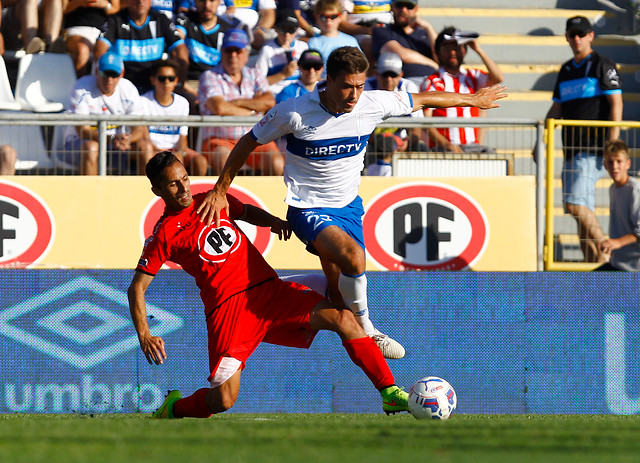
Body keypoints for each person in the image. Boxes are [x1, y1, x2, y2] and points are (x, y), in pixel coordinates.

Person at [196, 46, 507, 359]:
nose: (354, 94)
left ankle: (278, 297)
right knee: (355, 258)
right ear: (329, 80)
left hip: (348, 208)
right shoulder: (293, 111)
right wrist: (221, 188)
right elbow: (248, 141)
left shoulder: (373, 102)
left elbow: (424, 99)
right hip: (308, 207)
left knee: (339, 298)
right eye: (347, 86)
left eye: (359, 86)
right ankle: (369, 328)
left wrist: (472, 99)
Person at [129, 151, 411, 418]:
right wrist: (145, 335)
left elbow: (246, 212)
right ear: (158, 191)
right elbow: (137, 288)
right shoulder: (164, 234)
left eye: (185, 178)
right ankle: (173, 408)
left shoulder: (212, 200)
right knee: (223, 400)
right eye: (173, 185)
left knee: (344, 318)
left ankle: (389, 391)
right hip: (230, 312)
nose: (184, 188)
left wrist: (273, 222)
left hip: (270, 292)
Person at [546, 15, 623, 263]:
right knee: (581, 213)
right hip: (570, 149)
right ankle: (594, 268)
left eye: (581, 33)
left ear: (591, 35)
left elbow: (616, 103)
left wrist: (613, 143)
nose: (576, 39)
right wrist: (542, 138)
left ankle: (606, 254)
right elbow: (555, 109)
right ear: (567, 37)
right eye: (572, 34)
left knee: (574, 206)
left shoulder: (603, 63)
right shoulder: (566, 69)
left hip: (592, 149)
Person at [198, 28, 283, 175]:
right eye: (228, 50)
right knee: (224, 161)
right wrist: (253, 110)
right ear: (221, 52)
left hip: (255, 139)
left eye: (238, 51)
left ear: (247, 54)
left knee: (277, 163)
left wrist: (235, 102)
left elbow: (269, 101)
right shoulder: (209, 76)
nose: (233, 55)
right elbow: (219, 107)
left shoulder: (255, 74)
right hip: (220, 140)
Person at [63, 52, 153, 175]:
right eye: (105, 73)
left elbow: (140, 128)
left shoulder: (129, 88)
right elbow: (82, 131)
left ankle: (149, 193)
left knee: (145, 147)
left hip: (117, 146)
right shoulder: (81, 87)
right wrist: (110, 139)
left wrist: (129, 139)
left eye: (114, 74)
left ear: (122, 74)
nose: (109, 79)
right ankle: (89, 194)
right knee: (91, 148)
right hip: (79, 145)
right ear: (96, 71)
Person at [421, 27, 504, 154]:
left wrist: (478, 49)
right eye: (447, 48)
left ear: (464, 50)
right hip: (443, 148)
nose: (452, 52)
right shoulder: (432, 82)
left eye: (457, 47)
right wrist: (447, 145)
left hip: (472, 147)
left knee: (500, 162)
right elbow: (426, 123)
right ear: (437, 52)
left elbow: (498, 77)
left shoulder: (472, 76)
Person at [95, 0, 189, 94]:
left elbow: (180, 50)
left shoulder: (161, 19)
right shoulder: (115, 19)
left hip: (155, 88)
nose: (140, 1)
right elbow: (100, 50)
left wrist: (179, 84)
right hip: (122, 86)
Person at [141, 59, 208, 175]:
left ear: (176, 81)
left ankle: (196, 192)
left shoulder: (183, 103)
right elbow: (144, 135)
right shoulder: (143, 101)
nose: (166, 82)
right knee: (146, 152)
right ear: (153, 80)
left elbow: (183, 138)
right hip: (153, 150)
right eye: (162, 78)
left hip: (175, 150)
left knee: (200, 161)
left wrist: (179, 152)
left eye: (171, 79)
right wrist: (161, 154)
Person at [175, 0, 250, 98]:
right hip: (189, 82)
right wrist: (182, 83)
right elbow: (177, 43)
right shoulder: (185, 19)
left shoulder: (227, 30)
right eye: (202, 1)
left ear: (219, 2)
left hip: (216, 82)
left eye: (212, 0)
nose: (207, 5)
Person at [365, 51, 426, 153]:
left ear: (401, 75)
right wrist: (384, 143)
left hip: (401, 142)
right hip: (373, 142)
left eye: (393, 75)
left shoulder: (408, 87)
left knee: (421, 149)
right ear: (376, 73)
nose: (389, 79)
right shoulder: (366, 88)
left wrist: (407, 142)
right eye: (385, 75)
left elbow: (416, 130)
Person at [596, 140, 640, 271]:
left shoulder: (634, 190)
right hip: (618, 263)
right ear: (605, 165)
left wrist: (618, 242)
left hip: (634, 267)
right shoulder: (613, 189)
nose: (614, 166)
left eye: (619, 162)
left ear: (628, 164)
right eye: (610, 162)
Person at [370, 0, 437, 86]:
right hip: (403, 84)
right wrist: (433, 64)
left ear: (416, 9)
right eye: (399, 5)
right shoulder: (382, 31)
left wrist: (428, 27)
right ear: (392, 7)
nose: (403, 10)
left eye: (409, 6)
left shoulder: (425, 33)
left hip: (434, 81)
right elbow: (400, 53)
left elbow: (440, 56)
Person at [254, 8, 308, 97]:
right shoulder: (267, 50)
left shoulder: (303, 47)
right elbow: (258, 84)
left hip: (300, 93)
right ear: (276, 29)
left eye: (291, 30)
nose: (287, 35)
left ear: (297, 30)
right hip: (276, 94)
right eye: (283, 29)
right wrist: (283, 74)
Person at [63, 0, 120, 77]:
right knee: (82, 49)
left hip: (103, 31)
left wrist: (106, 5)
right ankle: (80, 86)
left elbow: (116, 9)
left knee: (103, 52)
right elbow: (63, 9)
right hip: (76, 30)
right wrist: (79, 2)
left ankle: (99, 86)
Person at [307, 0, 360, 74]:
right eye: (323, 17)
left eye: (333, 16)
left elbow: (359, 67)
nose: (328, 21)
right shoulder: (313, 42)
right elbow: (312, 72)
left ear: (340, 17)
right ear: (316, 16)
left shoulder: (351, 41)